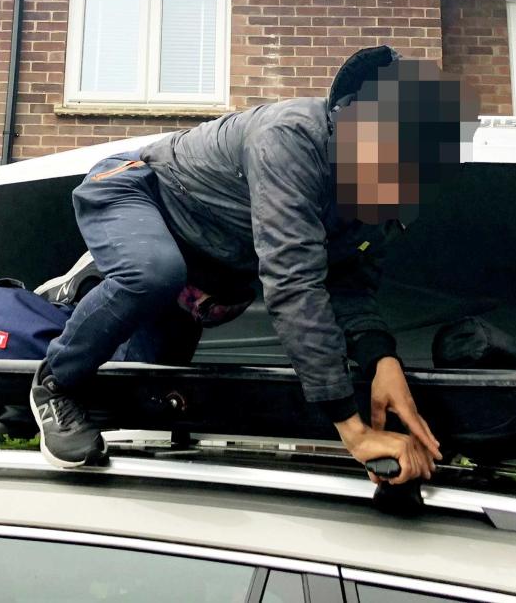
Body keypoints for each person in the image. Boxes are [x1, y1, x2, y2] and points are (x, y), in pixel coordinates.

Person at [30, 46, 475, 484]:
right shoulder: (289, 138)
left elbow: (350, 287)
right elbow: (294, 284)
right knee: (151, 274)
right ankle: (53, 383)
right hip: (139, 193)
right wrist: (352, 432)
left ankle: (82, 303)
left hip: (201, 271)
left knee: (138, 398)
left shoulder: (382, 196)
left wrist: (382, 361)